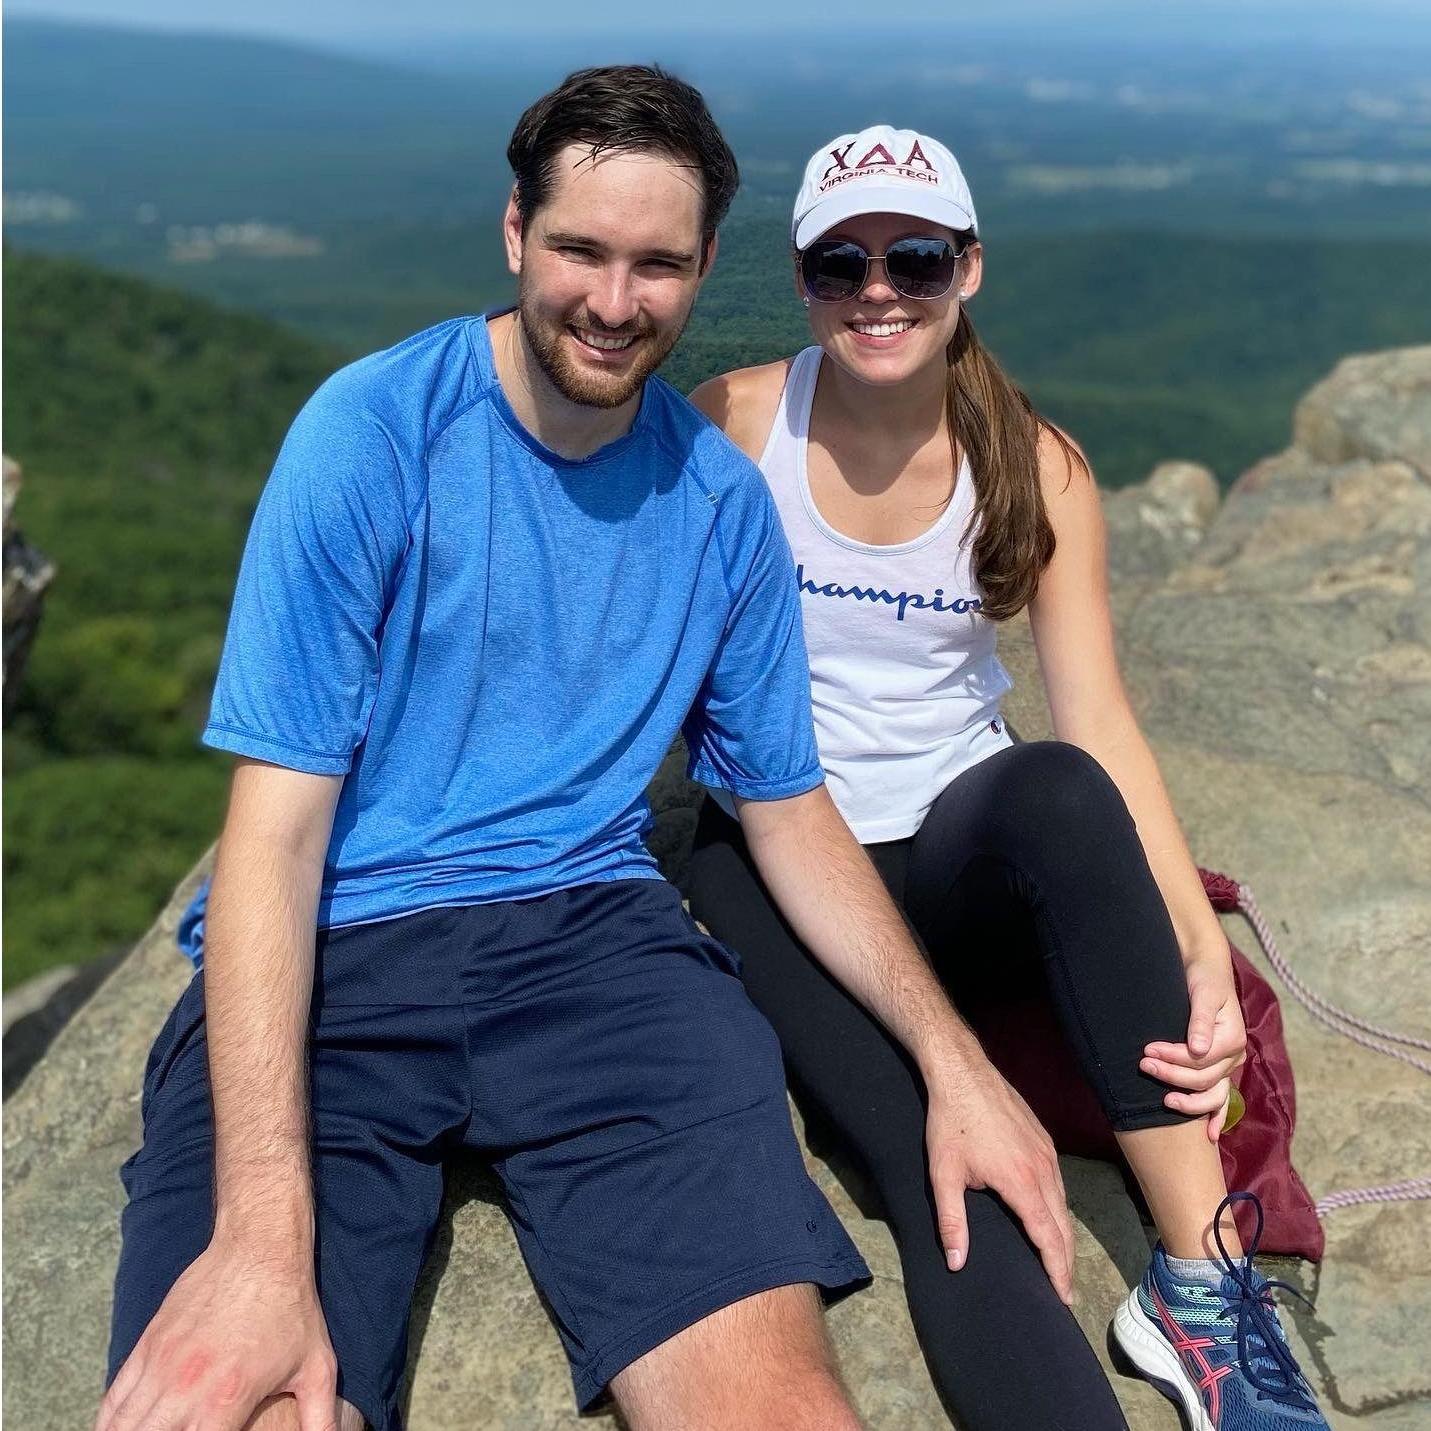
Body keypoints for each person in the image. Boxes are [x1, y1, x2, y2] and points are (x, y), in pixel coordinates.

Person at [98, 79, 1080, 1431]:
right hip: (344, 958)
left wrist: (955, 1070)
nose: (615, 301)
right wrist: (264, 1245)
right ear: (515, 231)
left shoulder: (719, 507)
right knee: (258, 1400)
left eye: (658, 264)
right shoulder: (371, 436)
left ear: (702, 273)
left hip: (598, 958)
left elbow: (788, 811)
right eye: (581, 250)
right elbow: (272, 834)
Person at [688, 125, 1333, 1431]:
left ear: (969, 269)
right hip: (772, 852)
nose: (879, 290)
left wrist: (1187, 936)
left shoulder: (1037, 467)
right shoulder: (735, 426)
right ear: (803, 278)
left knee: (1054, 787)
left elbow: (1095, 720)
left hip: (956, 860)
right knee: (949, 1175)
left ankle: (1199, 1284)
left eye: (915, 258)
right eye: (840, 262)